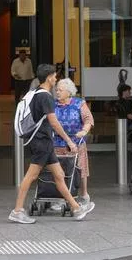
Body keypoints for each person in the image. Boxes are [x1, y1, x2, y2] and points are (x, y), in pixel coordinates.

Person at [8, 64, 95, 224]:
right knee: (31, 176)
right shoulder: (46, 96)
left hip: (45, 143)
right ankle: (17, 210)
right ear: (49, 77)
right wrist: (69, 140)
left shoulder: (35, 93)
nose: (56, 79)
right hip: (41, 142)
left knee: (59, 176)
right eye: (55, 76)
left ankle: (76, 208)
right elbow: (54, 122)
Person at [53, 78, 94, 208]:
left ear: (69, 92)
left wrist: (84, 131)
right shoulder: (53, 105)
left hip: (77, 142)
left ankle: (84, 195)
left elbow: (88, 119)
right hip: (58, 143)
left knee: (80, 169)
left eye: (60, 90)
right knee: (60, 172)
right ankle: (61, 198)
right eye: (56, 90)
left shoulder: (79, 103)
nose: (57, 92)